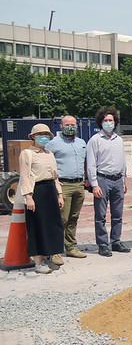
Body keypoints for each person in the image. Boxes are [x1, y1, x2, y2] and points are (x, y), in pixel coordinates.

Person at [19, 124, 64, 274]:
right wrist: (28, 197)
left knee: (52, 225)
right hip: (36, 191)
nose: (43, 137)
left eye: (46, 134)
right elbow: (24, 176)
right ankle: (38, 261)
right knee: (37, 226)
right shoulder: (27, 154)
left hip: (50, 190)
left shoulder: (49, 154)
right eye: (40, 134)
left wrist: (60, 194)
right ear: (33, 136)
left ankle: (48, 256)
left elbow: (55, 177)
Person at [87, 107, 129, 257]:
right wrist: (94, 184)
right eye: (105, 120)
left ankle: (116, 241)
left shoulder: (118, 140)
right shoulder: (95, 140)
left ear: (115, 122)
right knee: (101, 215)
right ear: (100, 122)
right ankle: (103, 243)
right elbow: (91, 163)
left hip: (118, 180)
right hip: (102, 179)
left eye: (111, 120)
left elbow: (122, 161)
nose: (108, 123)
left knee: (118, 214)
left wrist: (124, 179)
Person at [46, 115, 88, 261]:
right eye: (67, 124)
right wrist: (54, 181)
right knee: (61, 219)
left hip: (79, 185)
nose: (70, 126)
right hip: (63, 185)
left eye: (73, 124)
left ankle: (71, 247)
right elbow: (46, 163)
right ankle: (55, 251)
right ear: (61, 126)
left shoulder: (82, 143)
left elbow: (85, 162)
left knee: (73, 218)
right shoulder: (53, 144)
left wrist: (87, 179)